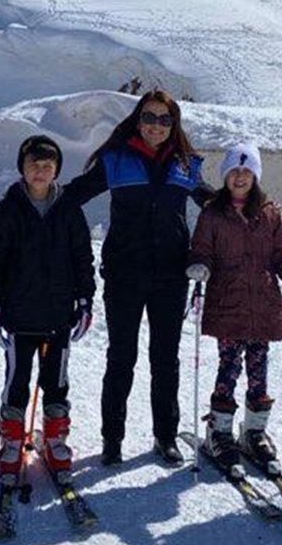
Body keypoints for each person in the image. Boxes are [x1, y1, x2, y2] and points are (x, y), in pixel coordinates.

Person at [64, 89, 215, 466]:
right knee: (121, 357)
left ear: (173, 124)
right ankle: (112, 440)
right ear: (138, 119)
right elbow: (72, 196)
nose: (156, 126)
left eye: (165, 119)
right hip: (124, 273)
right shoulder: (116, 159)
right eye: (149, 117)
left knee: (165, 358)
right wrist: (31, 204)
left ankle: (165, 436)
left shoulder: (187, 164)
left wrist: (250, 205)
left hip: (170, 275)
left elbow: (213, 205)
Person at [186, 143, 282, 472]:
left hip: (262, 304)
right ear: (225, 176)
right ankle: (219, 431)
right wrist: (200, 266)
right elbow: (201, 248)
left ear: (256, 176)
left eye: (247, 171)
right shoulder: (213, 213)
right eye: (234, 171)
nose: (240, 177)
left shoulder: (269, 213)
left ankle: (255, 431)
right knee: (228, 369)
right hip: (228, 302)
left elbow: (280, 256)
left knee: (259, 370)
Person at [0, 135, 96, 485]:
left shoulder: (69, 211)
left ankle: (55, 436)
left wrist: (85, 299)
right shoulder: (6, 211)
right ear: (22, 167)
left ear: (57, 170)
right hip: (19, 315)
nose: (40, 171)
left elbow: (82, 259)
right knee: (17, 379)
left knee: (56, 380)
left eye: (48, 165)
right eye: (34, 164)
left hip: (59, 315)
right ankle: (13, 438)